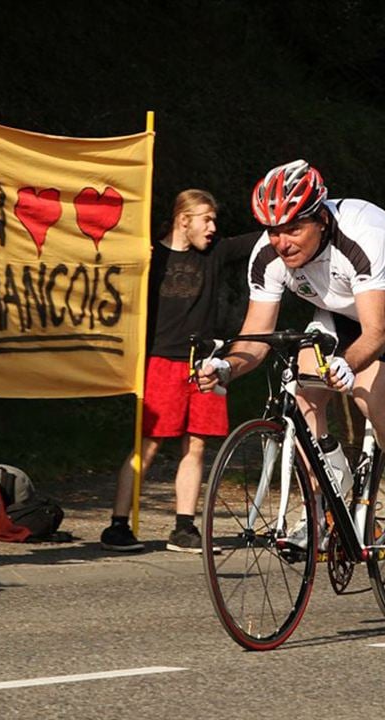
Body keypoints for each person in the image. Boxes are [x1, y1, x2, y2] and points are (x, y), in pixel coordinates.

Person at [196, 160, 385, 559]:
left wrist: (348, 363)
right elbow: (255, 340)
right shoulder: (266, 256)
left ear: (322, 219)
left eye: (293, 228)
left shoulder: (361, 233)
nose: (282, 241)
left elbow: (375, 333)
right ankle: (325, 502)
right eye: (274, 230)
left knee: (371, 394)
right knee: (304, 389)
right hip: (340, 308)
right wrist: (227, 366)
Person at [102, 190, 258, 553]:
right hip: (161, 360)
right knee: (149, 443)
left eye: (214, 220)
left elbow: (259, 239)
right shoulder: (150, 256)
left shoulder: (216, 252)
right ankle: (118, 523)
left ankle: (184, 527)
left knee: (198, 443)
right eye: (206, 219)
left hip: (204, 362)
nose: (213, 227)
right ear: (183, 220)